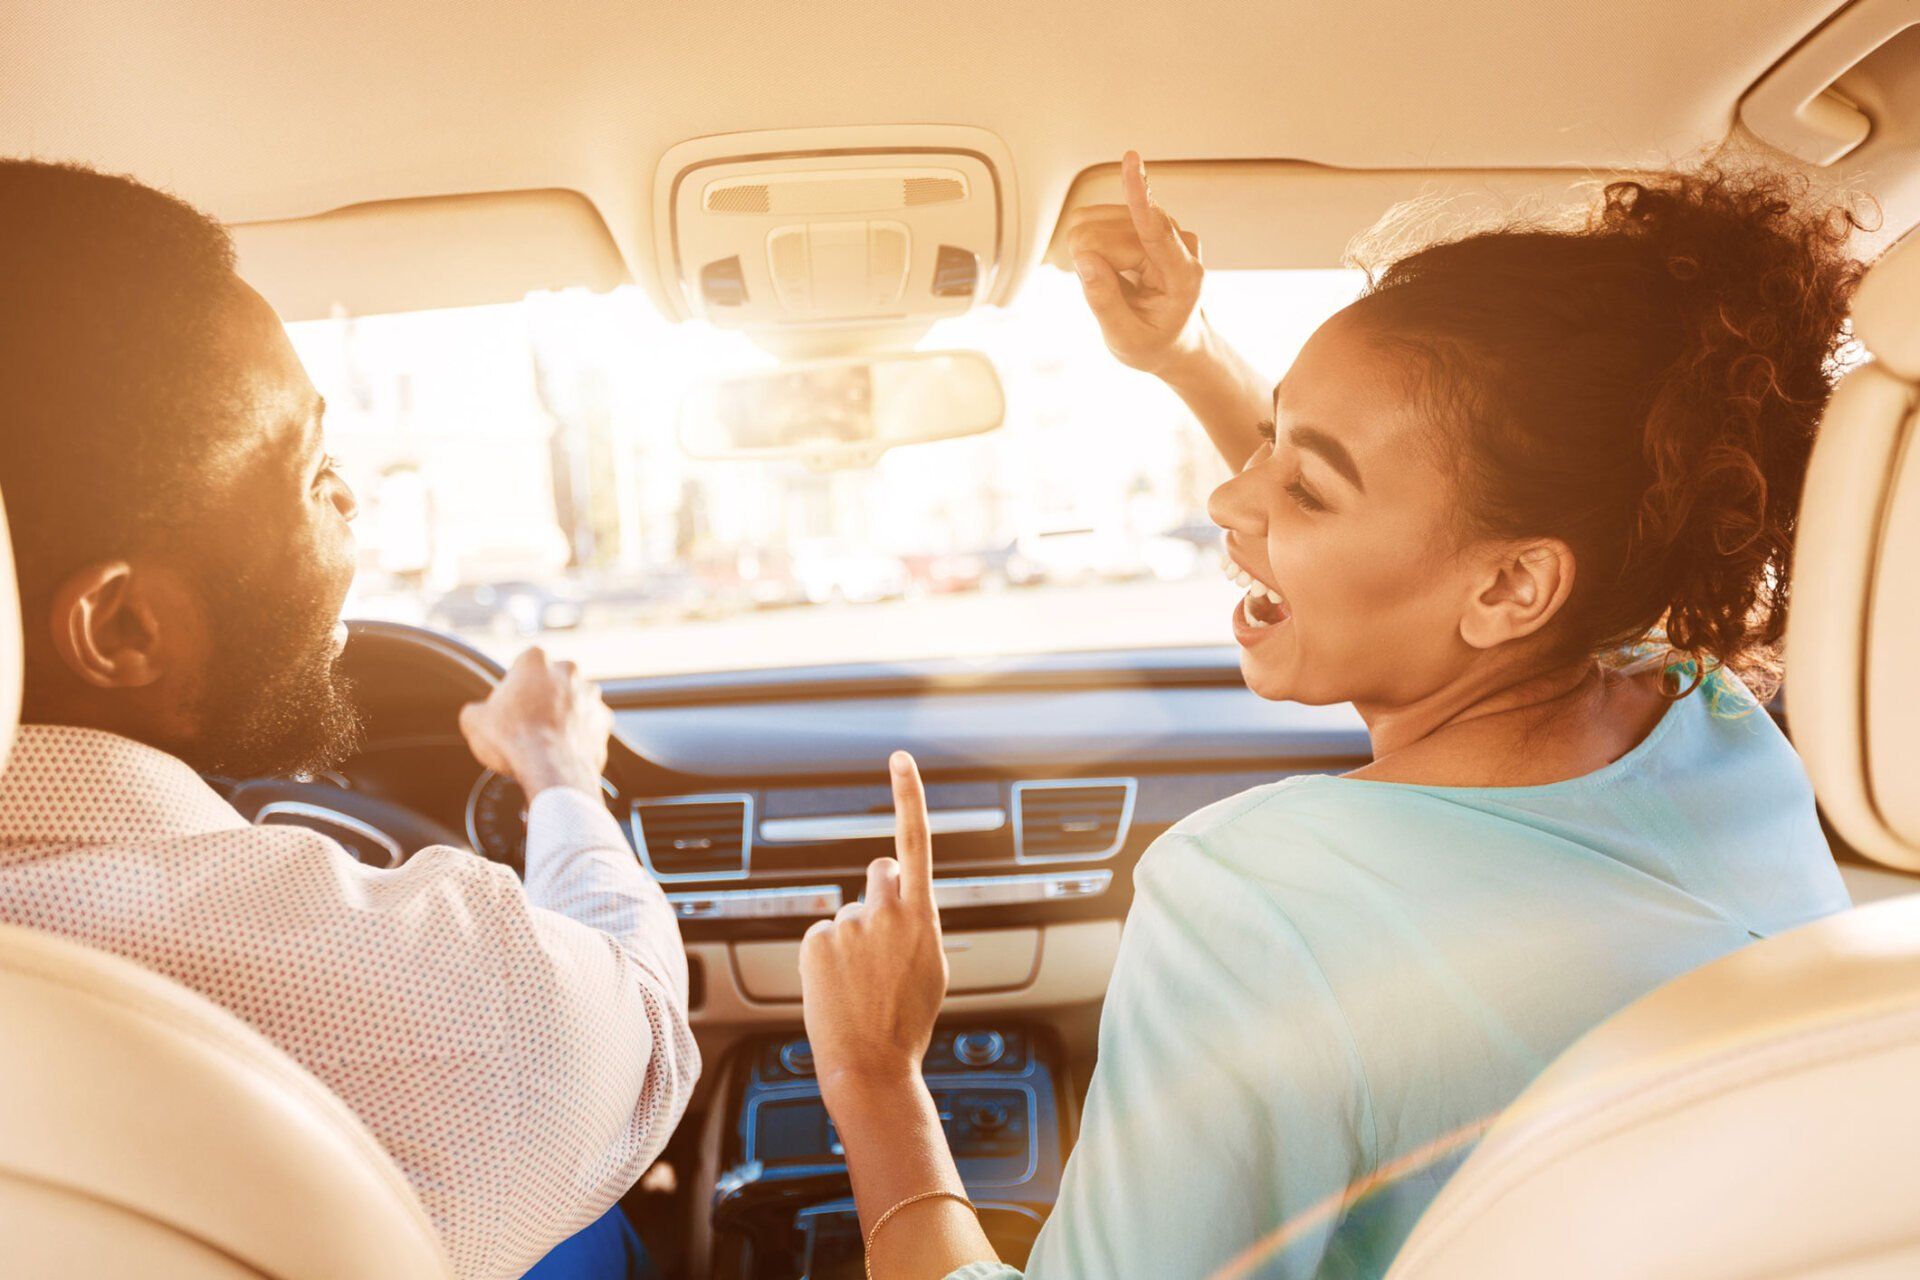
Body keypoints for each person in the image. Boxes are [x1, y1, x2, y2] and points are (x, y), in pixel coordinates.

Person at [796, 152, 1862, 1279]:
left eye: (1305, 487)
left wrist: (875, 1076)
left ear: (1512, 588)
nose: (1226, 499)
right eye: (1272, 446)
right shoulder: (1716, 721)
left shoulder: (1255, 905)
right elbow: (1434, 516)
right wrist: (1192, 360)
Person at [0, 159, 697, 1280]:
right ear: (123, 627)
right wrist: (557, 770)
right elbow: (644, 1021)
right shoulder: (430, 992)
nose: (352, 500)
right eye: (310, 466)